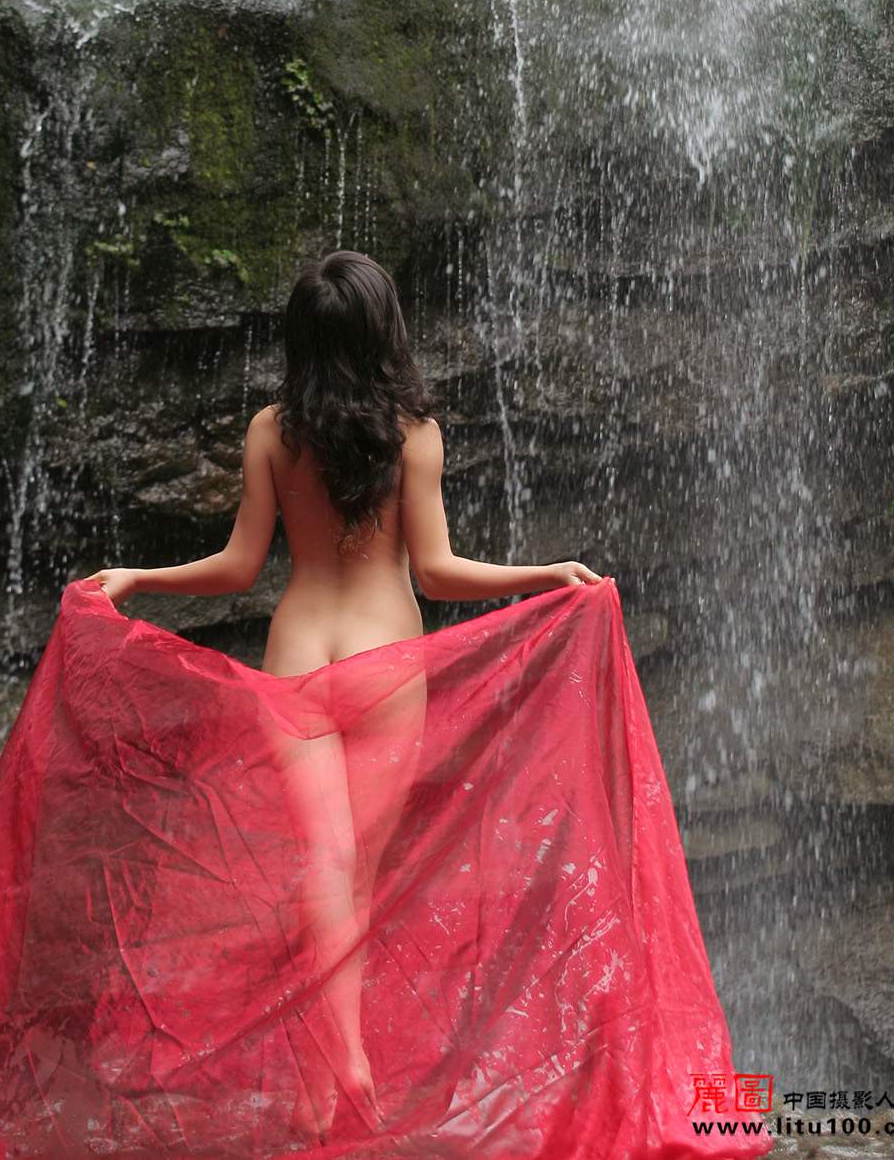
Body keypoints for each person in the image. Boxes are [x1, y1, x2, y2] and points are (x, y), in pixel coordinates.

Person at [83, 248, 606, 1142]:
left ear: (302, 338)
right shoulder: (415, 434)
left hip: (296, 660)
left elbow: (240, 566)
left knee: (323, 867)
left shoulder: (271, 431)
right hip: (385, 663)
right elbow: (437, 572)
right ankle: (347, 1058)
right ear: (383, 330)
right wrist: (543, 572)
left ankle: (327, 1077)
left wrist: (139, 575)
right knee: (351, 872)